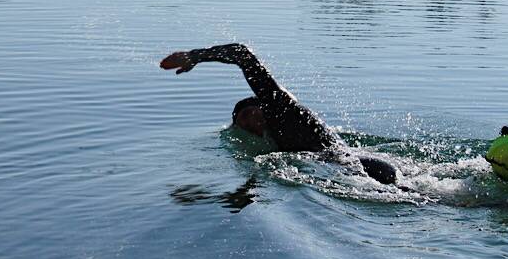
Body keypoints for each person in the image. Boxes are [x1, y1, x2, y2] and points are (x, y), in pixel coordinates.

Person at [160, 43, 398, 185]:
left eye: (249, 114)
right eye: (242, 122)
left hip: (365, 167)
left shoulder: (282, 107)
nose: (250, 123)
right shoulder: (272, 140)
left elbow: (241, 54)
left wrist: (196, 56)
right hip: (349, 167)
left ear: (262, 106)